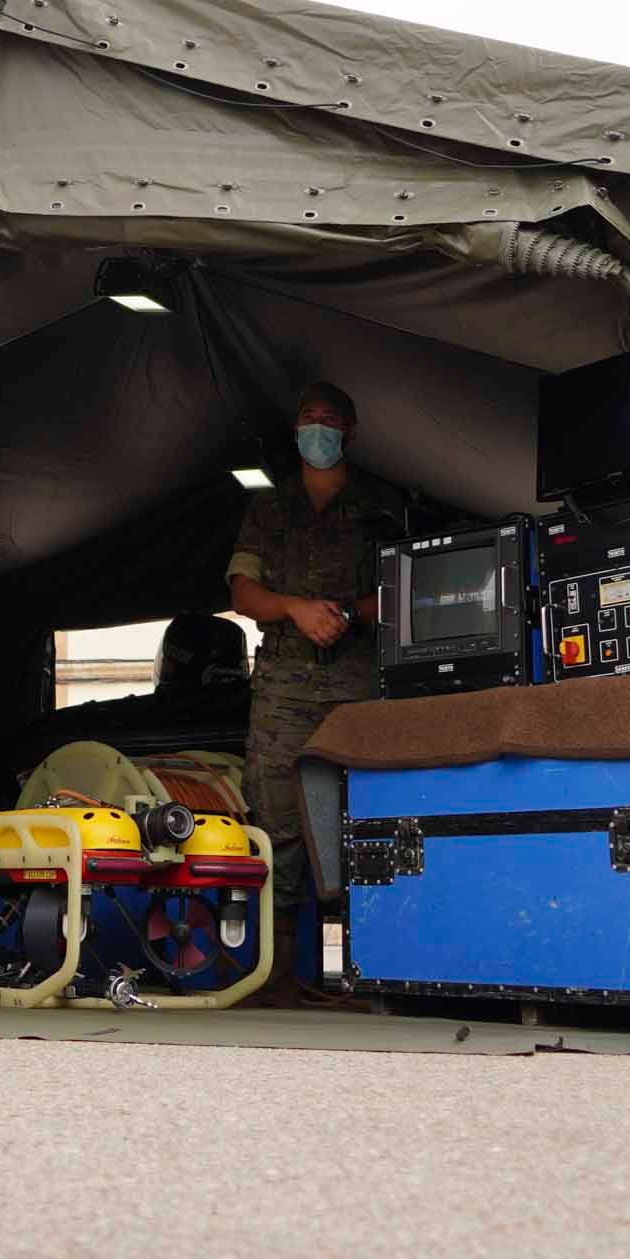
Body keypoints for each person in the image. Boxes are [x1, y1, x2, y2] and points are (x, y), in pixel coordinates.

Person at [225, 381, 408, 995]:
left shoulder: (382, 506)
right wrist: (296, 609)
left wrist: (350, 614)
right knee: (276, 818)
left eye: (331, 419)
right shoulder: (268, 507)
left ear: (349, 432)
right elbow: (243, 592)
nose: (319, 428)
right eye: (309, 417)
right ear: (296, 428)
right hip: (283, 689)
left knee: (357, 820)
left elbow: (404, 588)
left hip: (357, 683)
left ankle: (352, 973)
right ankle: (276, 975)